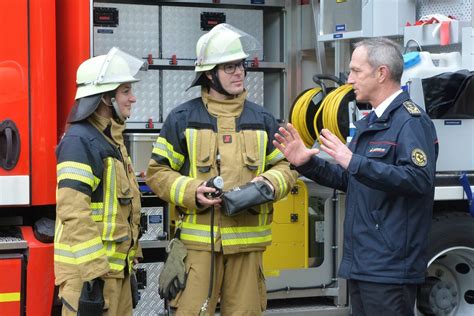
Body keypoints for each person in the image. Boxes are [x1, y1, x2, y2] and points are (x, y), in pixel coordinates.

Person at [273, 38, 438, 316]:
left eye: (356, 71)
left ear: (381, 73)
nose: (349, 80)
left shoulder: (411, 122)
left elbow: (418, 180)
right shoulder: (370, 122)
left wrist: (354, 161)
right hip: (364, 262)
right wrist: (305, 164)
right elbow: (349, 178)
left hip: (390, 266)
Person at [146, 23, 297, 315]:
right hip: (198, 252)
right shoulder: (182, 119)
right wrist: (193, 191)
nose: (239, 72)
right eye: (229, 67)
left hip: (248, 249)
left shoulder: (262, 118)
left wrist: (268, 183)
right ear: (209, 74)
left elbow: (287, 166)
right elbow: (157, 173)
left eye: (240, 65)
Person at [54, 47, 147, 315]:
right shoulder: (80, 141)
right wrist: (94, 272)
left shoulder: (111, 139)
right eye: (126, 91)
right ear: (106, 97)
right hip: (90, 277)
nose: (133, 98)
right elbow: (73, 210)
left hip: (114, 273)